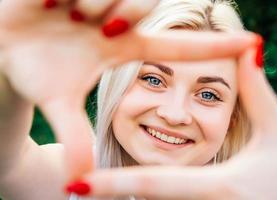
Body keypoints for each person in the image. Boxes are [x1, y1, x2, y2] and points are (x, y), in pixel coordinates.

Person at [0, 0, 256, 200]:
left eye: (208, 95)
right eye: (153, 79)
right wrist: (7, 69)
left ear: (232, 118)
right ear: (117, 81)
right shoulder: (71, 180)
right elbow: (8, 161)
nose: (174, 114)